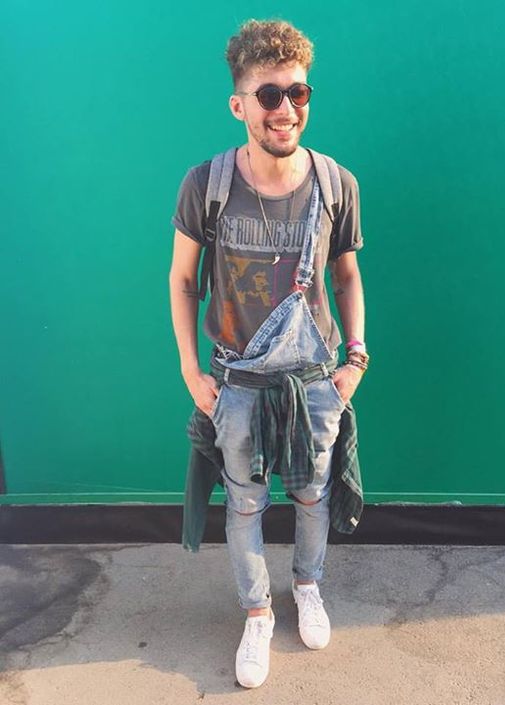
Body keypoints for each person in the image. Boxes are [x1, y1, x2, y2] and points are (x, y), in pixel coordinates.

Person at [169, 18, 368, 689]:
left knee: (312, 495)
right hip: (237, 383)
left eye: (298, 92)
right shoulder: (207, 184)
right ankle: (257, 611)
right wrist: (191, 370)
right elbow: (182, 280)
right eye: (270, 94)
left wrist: (355, 361)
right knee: (246, 503)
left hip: (315, 381)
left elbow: (347, 276)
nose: (286, 108)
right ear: (239, 104)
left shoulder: (336, 183)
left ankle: (307, 586)